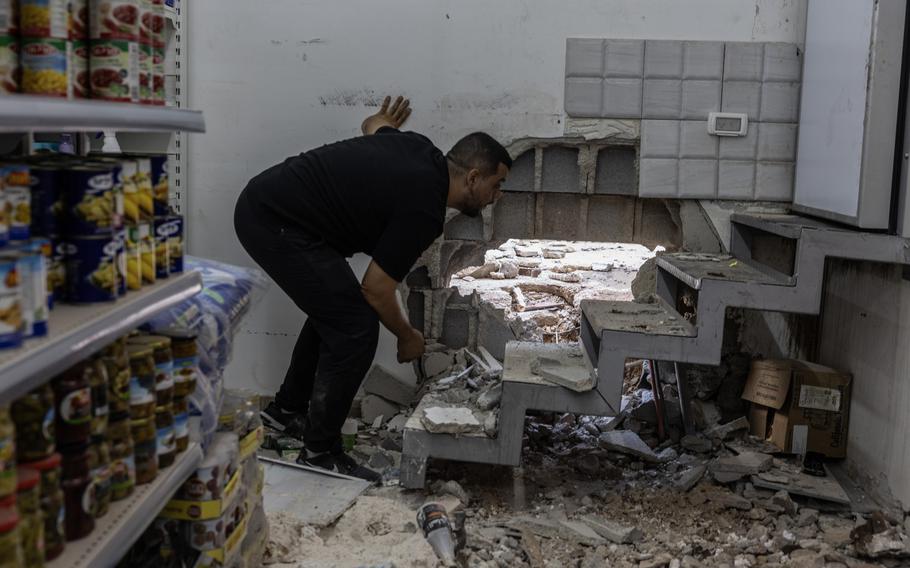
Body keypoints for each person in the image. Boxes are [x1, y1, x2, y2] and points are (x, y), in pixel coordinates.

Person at [233, 96, 511, 482]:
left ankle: (286, 413)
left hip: (273, 207)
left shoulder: (417, 147)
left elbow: (372, 126)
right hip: (273, 221)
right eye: (497, 185)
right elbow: (377, 289)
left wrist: (381, 118)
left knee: (337, 309)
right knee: (355, 327)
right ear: (473, 177)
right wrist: (407, 335)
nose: (497, 196)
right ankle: (318, 452)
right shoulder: (424, 209)